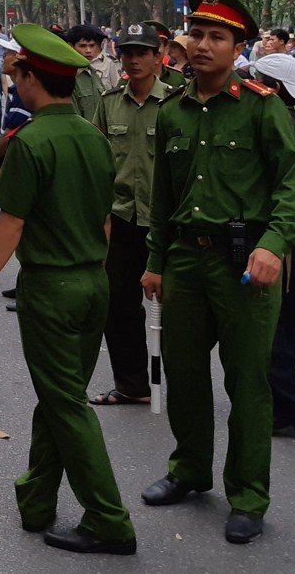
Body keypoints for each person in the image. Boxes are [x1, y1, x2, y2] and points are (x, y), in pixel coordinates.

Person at [139, 0, 295, 545]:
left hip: (244, 263)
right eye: (198, 34)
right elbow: (162, 196)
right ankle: (189, 470)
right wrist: (156, 260)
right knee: (184, 374)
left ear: (239, 47)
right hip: (186, 259)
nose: (204, 45)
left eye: (218, 37)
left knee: (248, 383)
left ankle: (249, 497)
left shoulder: (261, 107)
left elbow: (291, 185)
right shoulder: (173, 112)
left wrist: (274, 244)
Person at [0, 24, 136, 556]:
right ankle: (37, 497)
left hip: (51, 288)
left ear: (33, 80)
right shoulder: (94, 136)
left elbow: (11, 225)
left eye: (17, 73)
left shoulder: (31, 142)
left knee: (65, 403)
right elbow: (106, 220)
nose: (13, 81)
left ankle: (109, 519)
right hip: (93, 283)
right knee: (58, 397)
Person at [88, 24, 170, 406]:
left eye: (142, 52)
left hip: (166, 222)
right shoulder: (109, 102)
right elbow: (98, 160)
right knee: (119, 305)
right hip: (121, 219)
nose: (134, 60)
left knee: (175, 308)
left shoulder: (175, 101)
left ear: (159, 56)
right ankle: (132, 384)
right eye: (127, 53)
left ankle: (180, 382)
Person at [248, 52, 295, 435]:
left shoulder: (284, 124)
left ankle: (289, 405)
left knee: (275, 322)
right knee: (282, 319)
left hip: (285, 234)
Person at [65, 25, 113, 121]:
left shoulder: (93, 73)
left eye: (92, 46)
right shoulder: (68, 76)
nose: (88, 51)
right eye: (82, 46)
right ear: (71, 46)